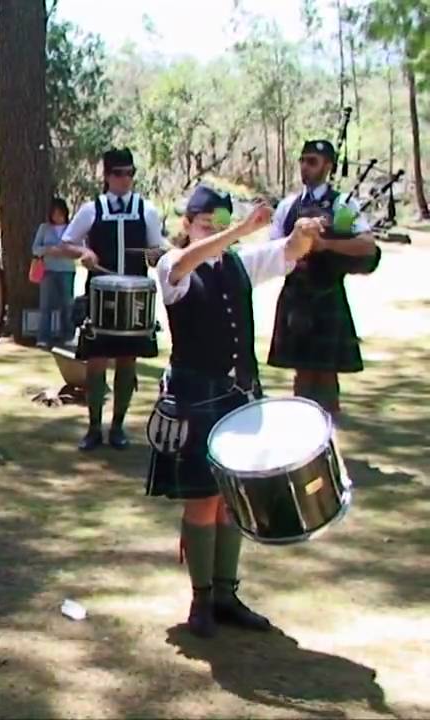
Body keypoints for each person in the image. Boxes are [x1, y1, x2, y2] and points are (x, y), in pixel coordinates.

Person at [149, 185, 320, 638]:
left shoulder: (239, 263)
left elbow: (288, 251)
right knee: (203, 498)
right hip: (196, 395)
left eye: (220, 223)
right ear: (187, 224)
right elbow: (185, 264)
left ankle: (226, 594)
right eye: (206, 223)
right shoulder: (172, 264)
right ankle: (201, 600)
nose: (214, 230)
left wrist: (303, 232)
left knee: (232, 498)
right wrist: (240, 229)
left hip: (238, 395)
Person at [267, 139, 381, 416]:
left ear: (327, 166)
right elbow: (273, 251)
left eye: (312, 161)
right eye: (302, 160)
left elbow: (367, 246)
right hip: (296, 297)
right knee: (302, 374)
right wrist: (298, 243)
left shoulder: (343, 205)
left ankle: (329, 435)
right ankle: (302, 433)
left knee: (327, 376)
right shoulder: (288, 206)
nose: (305, 167)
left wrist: (325, 244)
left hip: (328, 296)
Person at [63, 148, 166, 451]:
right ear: (107, 176)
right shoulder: (92, 209)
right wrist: (84, 252)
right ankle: (94, 427)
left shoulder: (146, 210)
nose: (125, 179)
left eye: (130, 173)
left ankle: (118, 427)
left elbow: (156, 252)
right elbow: (66, 242)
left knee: (127, 360)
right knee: (96, 361)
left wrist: (156, 254)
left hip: (133, 298)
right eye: (119, 174)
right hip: (100, 296)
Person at [31, 197, 78, 348]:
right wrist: (48, 250)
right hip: (48, 270)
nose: (57, 216)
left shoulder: (72, 229)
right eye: (54, 213)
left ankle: (68, 335)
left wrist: (66, 251)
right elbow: (35, 249)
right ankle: (43, 337)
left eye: (60, 213)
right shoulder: (44, 228)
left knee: (67, 304)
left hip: (67, 270)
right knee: (46, 305)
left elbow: (80, 249)